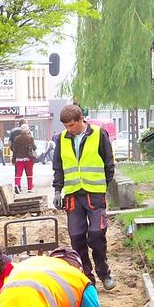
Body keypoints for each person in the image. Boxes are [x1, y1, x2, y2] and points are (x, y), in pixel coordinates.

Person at [52, 103, 117, 291]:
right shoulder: (62, 139)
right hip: (73, 195)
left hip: (94, 194)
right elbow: (58, 167)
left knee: (96, 235)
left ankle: (104, 273)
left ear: (81, 120)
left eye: (72, 125)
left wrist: (103, 186)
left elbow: (109, 163)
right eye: (66, 126)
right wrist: (58, 191)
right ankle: (87, 278)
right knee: (77, 238)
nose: (69, 129)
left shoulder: (98, 134)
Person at [10, 122, 36, 192]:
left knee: (18, 174)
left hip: (19, 159)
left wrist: (13, 159)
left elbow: (14, 150)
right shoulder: (30, 138)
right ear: (27, 130)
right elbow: (34, 147)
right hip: (28, 158)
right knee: (29, 174)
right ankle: (29, 188)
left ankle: (16, 184)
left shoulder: (16, 139)